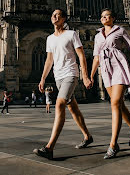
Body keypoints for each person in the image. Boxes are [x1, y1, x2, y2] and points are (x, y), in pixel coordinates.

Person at [90, 8, 130, 159]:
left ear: (113, 18)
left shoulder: (120, 30)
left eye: (107, 16)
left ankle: (113, 144)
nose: (104, 18)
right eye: (102, 16)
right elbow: (96, 58)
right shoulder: (98, 36)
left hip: (119, 65)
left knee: (115, 102)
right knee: (118, 104)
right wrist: (90, 76)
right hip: (105, 69)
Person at [33, 9, 93, 160]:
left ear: (64, 19)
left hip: (70, 74)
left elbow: (81, 55)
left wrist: (85, 76)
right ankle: (87, 136)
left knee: (59, 104)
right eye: (53, 14)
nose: (54, 16)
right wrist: (42, 78)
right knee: (73, 108)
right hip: (58, 77)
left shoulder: (72, 34)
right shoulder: (50, 39)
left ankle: (49, 148)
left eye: (58, 14)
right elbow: (49, 60)